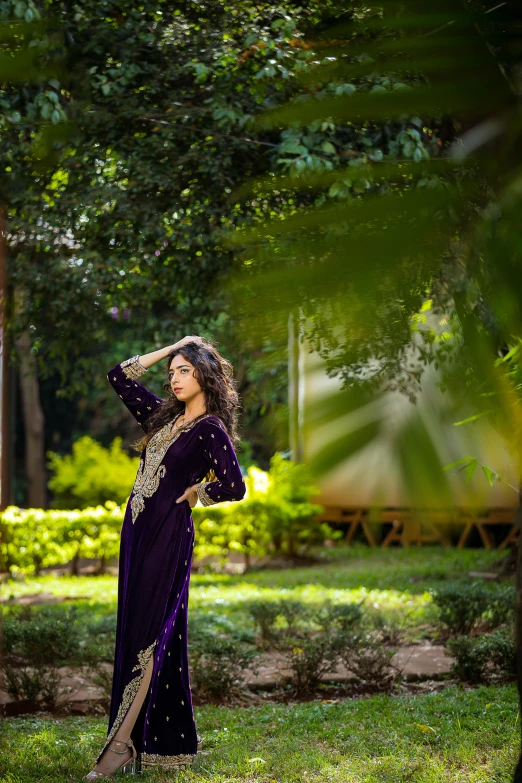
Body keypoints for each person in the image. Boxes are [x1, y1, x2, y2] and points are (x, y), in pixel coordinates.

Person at [85, 336, 246, 779]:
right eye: (172, 371)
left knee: (151, 635)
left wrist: (199, 492)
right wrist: (177, 345)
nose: (174, 378)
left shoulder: (209, 429)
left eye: (184, 370)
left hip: (168, 535)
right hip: (136, 534)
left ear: (204, 376)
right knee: (134, 628)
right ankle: (135, 742)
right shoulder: (162, 418)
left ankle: (119, 746)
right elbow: (118, 376)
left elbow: (235, 485)